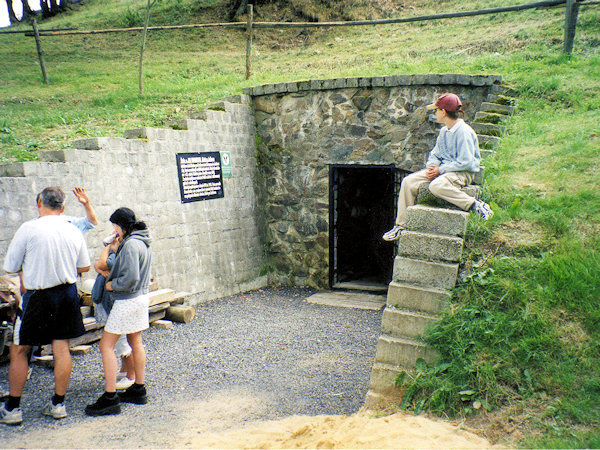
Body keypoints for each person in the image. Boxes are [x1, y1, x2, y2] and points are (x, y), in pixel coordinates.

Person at [1, 187, 90, 426]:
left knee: (19, 349)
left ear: (39, 203)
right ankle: (58, 404)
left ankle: (13, 408)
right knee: (61, 347)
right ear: (62, 207)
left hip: (37, 295)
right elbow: (84, 267)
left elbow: (10, 266)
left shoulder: (28, 229)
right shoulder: (72, 229)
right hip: (67, 293)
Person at [383, 93, 494, 241]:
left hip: (462, 172)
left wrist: (440, 170)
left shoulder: (464, 132)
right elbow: (435, 153)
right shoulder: (444, 131)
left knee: (436, 186)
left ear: (443, 112)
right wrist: (432, 167)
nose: (435, 113)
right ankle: (401, 225)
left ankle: (474, 204)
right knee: (408, 182)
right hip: (444, 170)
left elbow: (466, 162)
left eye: (437, 110)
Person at [85, 208, 151, 416]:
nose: (113, 229)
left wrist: (112, 285)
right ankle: (138, 389)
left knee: (106, 345)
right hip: (140, 299)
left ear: (120, 225)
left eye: (114, 225)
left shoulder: (130, 245)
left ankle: (110, 397)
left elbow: (129, 279)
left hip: (126, 301)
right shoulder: (142, 241)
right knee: (136, 342)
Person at [91, 235, 136, 391]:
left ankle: (131, 376)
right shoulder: (115, 251)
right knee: (119, 339)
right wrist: (99, 266)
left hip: (114, 300)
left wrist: (106, 246)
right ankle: (125, 371)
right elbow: (97, 264)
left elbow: (103, 263)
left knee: (121, 340)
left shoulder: (120, 252)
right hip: (107, 299)